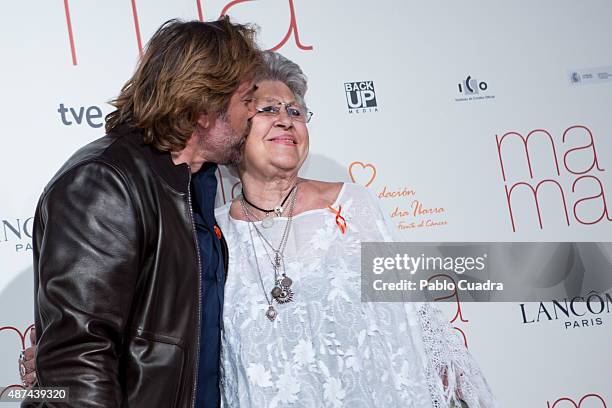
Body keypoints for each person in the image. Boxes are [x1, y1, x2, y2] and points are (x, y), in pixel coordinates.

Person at [214, 51, 498, 407]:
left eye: (296, 112)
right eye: (268, 109)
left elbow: (418, 327)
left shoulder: (352, 207)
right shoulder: (215, 232)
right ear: (236, 128)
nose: (286, 120)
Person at [20, 17, 263, 408]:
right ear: (204, 107)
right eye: (246, 100)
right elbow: (77, 362)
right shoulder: (103, 183)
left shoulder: (196, 185)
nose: (253, 114)